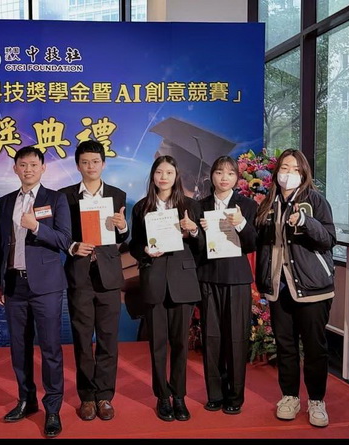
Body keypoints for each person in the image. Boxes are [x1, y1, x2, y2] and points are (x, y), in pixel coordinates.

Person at [0, 146, 72, 437]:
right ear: (15, 168)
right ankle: (26, 400)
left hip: (46, 286)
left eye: (33, 165)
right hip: (14, 284)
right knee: (19, 347)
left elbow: (65, 240)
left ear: (43, 168)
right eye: (22, 165)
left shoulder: (56, 199)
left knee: (50, 348)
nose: (28, 170)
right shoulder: (6, 201)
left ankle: (53, 408)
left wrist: (36, 227)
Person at [254, 149, 336, 428]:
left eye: (295, 169)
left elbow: (328, 239)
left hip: (312, 287)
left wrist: (305, 221)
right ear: (276, 172)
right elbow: (259, 242)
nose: (288, 174)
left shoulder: (315, 201)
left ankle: (316, 400)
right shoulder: (268, 203)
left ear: (304, 173)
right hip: (279, 287)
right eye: (284, 168)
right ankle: (289, 397)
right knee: (285, 345)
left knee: (314, 348)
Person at [128, 155, 203, 422]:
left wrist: (194, 231)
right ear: (153, 175)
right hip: (154, 280)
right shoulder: (142, 207)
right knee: (157, 344)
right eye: (159, 172)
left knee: (181, 344)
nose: (163, 177)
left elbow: (202, 246)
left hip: (183, 281)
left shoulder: (190, 206)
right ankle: (162, 396)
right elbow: (134, 245)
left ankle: (179, 395)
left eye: (169, 172)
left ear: (176, 176)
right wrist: (145, 251)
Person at [58, 140, 128, 421]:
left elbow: (123, 237)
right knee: (83, 339)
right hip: (80, 274)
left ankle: (105, 396)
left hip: (108, 275)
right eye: (85, 162)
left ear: (103, 164)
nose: (90, 166)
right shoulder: (64, 196)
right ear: (78, 165)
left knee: (109, 339)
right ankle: (87, 396)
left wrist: (123, 227)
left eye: (95, 161)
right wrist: (73, 246)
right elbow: (61, 234)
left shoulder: (117, 195)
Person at [196, 156, 258, 415]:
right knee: (211, 338)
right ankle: (215, 394)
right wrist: (196, 232)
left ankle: (235, 395)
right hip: (208, 277)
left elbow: (253, 243)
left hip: (236, 278)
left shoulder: (247, 205)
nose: (224, 178)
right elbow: (195, 248)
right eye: (219, 172)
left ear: (236, 178)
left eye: (230, 173)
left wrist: (240, 223)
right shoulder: (200, 206)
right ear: (212, 175)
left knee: (236, 337)